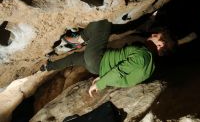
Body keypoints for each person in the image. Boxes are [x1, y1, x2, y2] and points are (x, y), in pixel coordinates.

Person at [40, 19, 176, 97]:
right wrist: (103, 77)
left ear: (161, 44)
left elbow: (120, 72)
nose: (154, 33)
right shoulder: (149, 65)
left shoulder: (143, 56)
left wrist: (100, 84)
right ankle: (47, 66)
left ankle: (77, 40)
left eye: (157, 35)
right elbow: (127, 80)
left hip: (98, 60)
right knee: (75, 58)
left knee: (102, 25)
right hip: (99, 66)